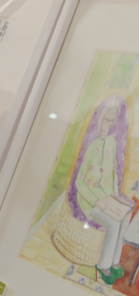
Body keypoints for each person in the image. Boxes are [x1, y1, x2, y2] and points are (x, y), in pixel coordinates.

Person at [69, 95, 133, 285]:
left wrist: (114, 196)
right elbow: (79, 181)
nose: (109, 124)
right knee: (113, 224)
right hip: (90, 200)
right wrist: (97, 201)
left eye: (112, 120)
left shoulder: (112, 143)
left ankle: (114, 262)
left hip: (108, 198)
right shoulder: (92, 145)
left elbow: (113, 171)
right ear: (100, 118)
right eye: (107, 119)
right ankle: (103, 265)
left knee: (125, 216)